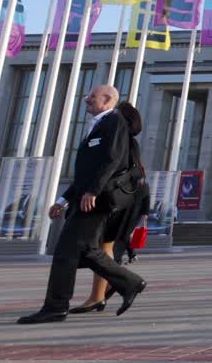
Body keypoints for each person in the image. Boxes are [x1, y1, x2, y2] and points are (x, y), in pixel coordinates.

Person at [17, 85, 147, 324]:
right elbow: (86, 171)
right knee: (87, 251)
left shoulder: (114, 122)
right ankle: (130, 283)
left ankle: (56, 307)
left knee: (65, 253)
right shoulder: (98, 125)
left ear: (107, 100)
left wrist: (93, 190)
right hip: (86, 198)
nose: (86, 99)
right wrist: (63, 200)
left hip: (96, 201)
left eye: (92, 96)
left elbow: (111, 160)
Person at [71, 101, 148, 314]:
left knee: (92, 247)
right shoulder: (130, 142)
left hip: (112, 202)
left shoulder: (120, 139)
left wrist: (93, 191)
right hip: (122, 202)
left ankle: (122, 281)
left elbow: (110, 166)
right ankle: (99, 295)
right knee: (105, 247)